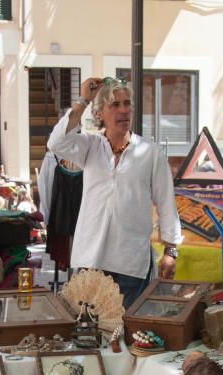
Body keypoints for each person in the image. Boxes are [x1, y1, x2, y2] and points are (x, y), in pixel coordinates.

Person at [46, 76, 181, 307]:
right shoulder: (89, 146)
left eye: (127, 103)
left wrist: (170, 251)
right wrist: (83, 99)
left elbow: (166, 204)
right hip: (91, 259)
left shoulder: (150, 153)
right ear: (100, 114)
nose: (124, 110)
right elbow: (56, 143)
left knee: (124, 334)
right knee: (89, 334)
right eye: (115, 105)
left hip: (130, 263)